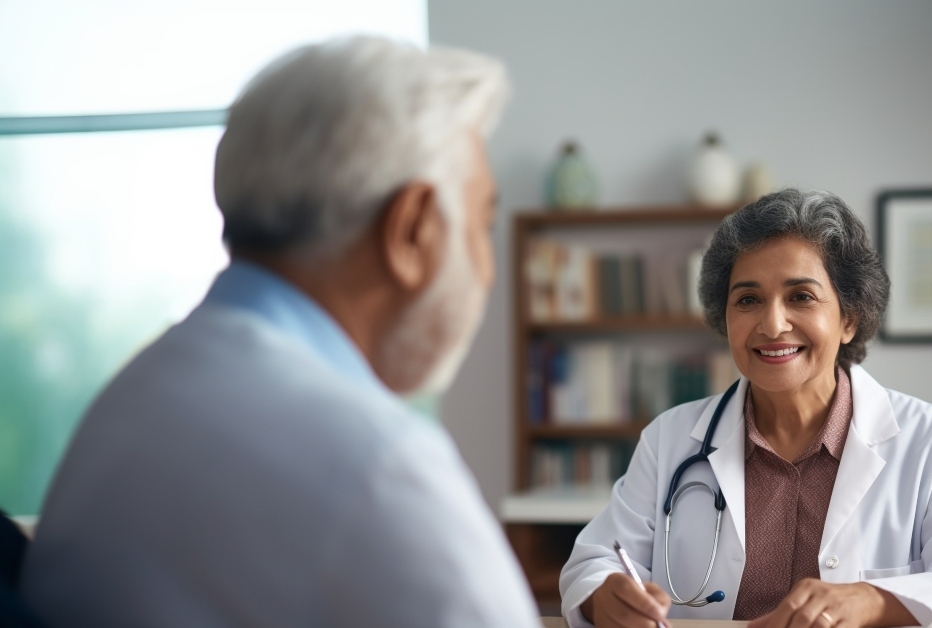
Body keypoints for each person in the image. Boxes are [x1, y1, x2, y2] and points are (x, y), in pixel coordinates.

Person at [20, 36, 541, 627]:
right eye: (480, 223)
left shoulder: (128, 401)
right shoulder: (378, 465)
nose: (486, 267)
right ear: (411, 232)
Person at [559, 189, 932, 628]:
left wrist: (869, 601)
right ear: (726, 319)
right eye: (748, 300)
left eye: (801, 296)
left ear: (850, 318)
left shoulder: (929, 439)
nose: (772, 324)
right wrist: (605, 597)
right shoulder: (670, 439)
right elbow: (594, 562)